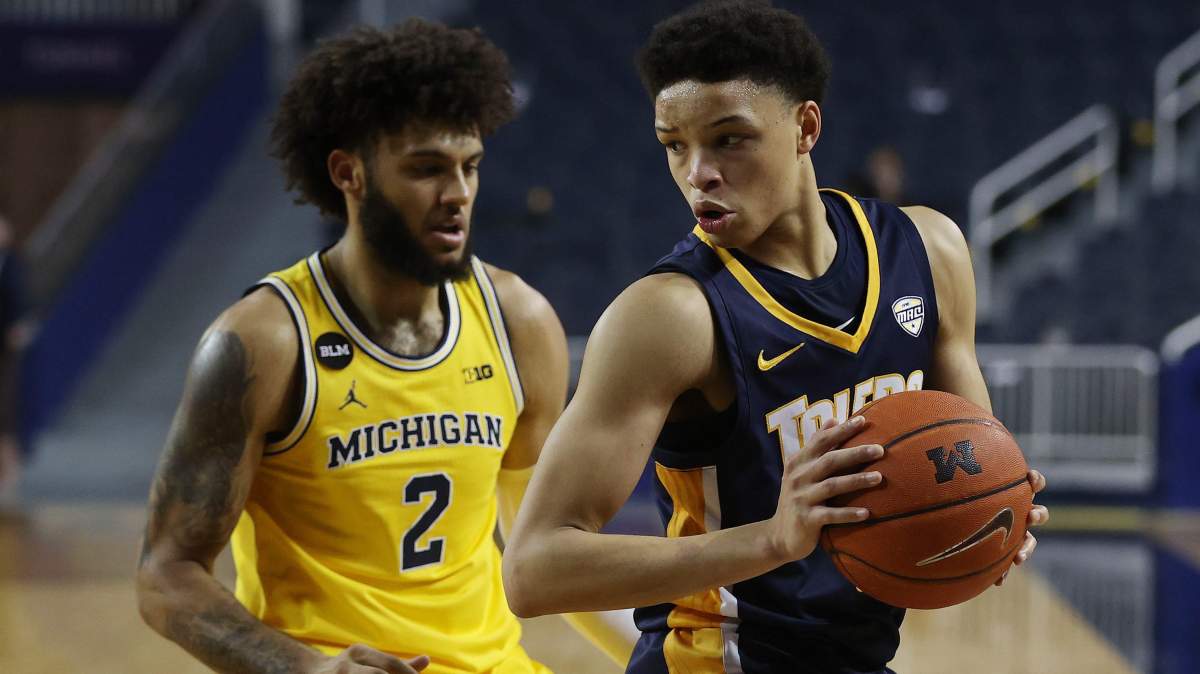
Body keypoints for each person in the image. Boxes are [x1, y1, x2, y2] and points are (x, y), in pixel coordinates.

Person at [502, 3, 1049, 673]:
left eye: (729, 139)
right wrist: (770, 540)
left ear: (805, 128)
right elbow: (534, 569)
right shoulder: (671, 315)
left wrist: (994, 513)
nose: (698, 171)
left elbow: (968, 455)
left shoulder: (928, 252)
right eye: (674, 144)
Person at [136, 20, 634, 674]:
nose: (457, 195)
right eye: (426, 169)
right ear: (349, 172)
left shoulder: (519, 322)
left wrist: (673, 657)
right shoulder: (265, 342)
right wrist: (310, 670)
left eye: (469, 166)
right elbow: (166, 575)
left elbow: (545, 550)